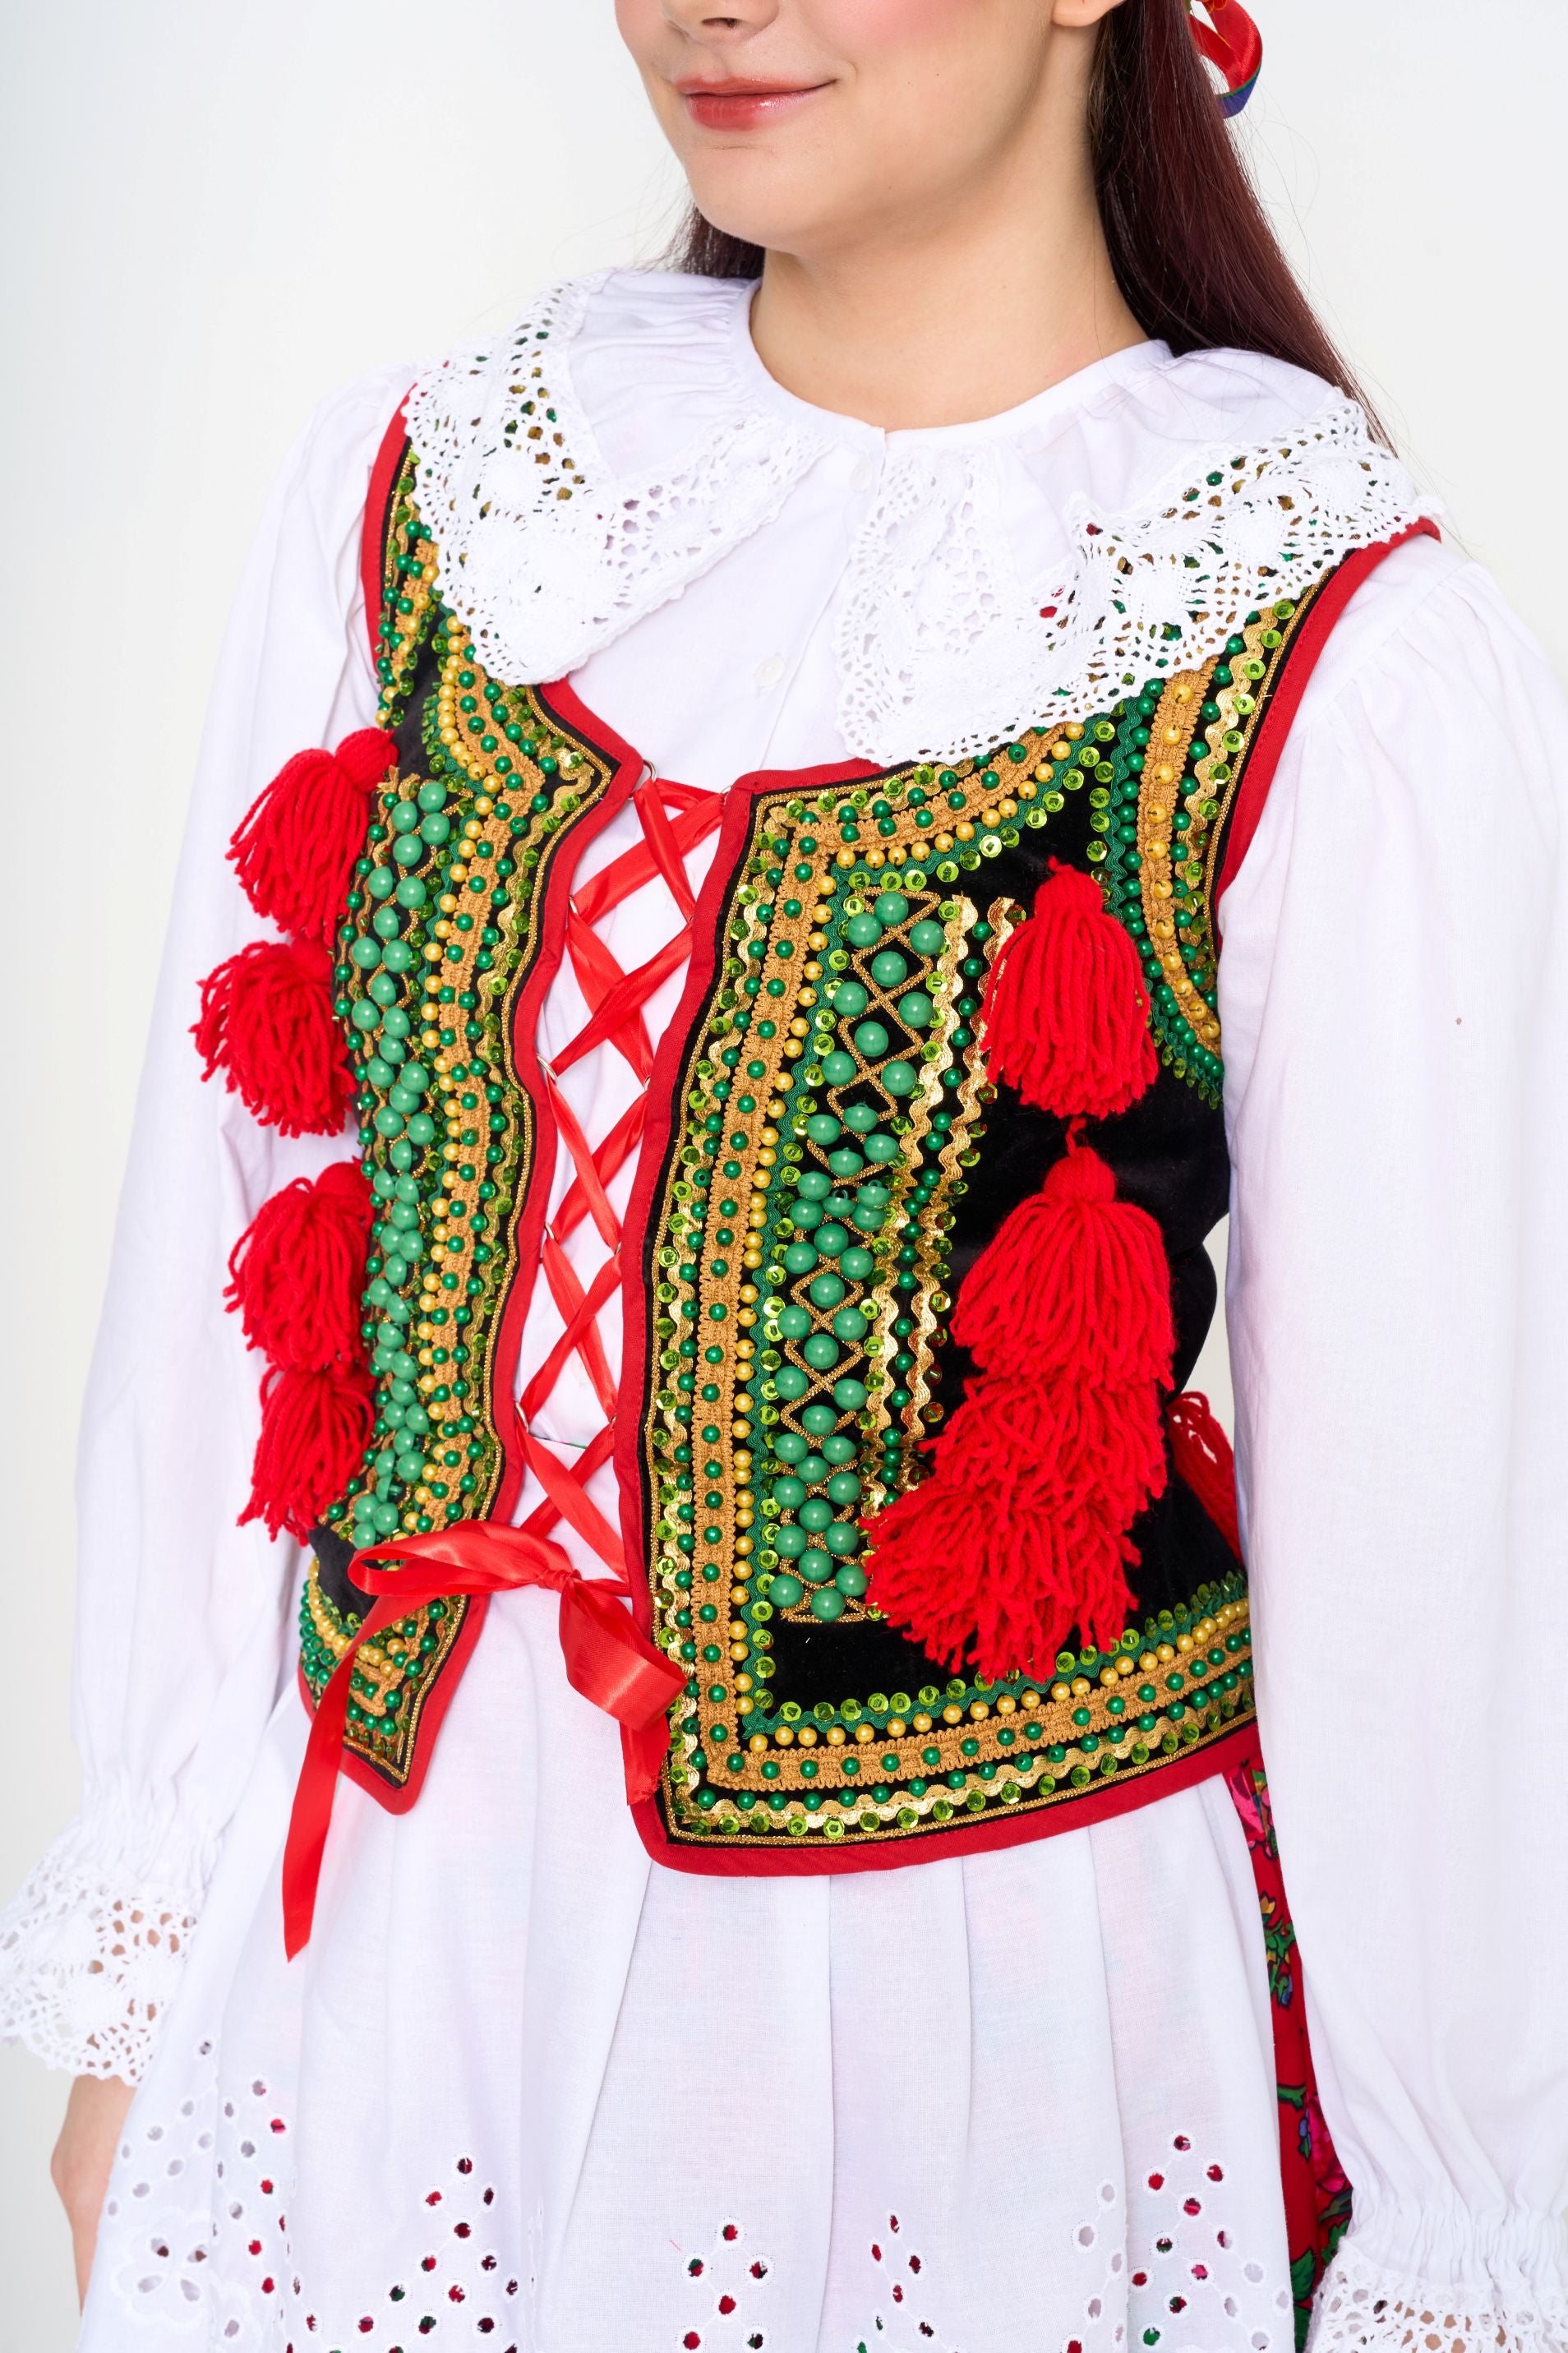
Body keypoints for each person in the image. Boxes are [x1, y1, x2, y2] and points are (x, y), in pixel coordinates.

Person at [6, 0, 1566, 2345]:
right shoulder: (442, 496)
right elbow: (228, 1240)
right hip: (389, 1953)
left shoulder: (1324, 640)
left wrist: (1451, 2226)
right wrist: (139, 1989)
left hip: (985, 2018)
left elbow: (1432, 1550)